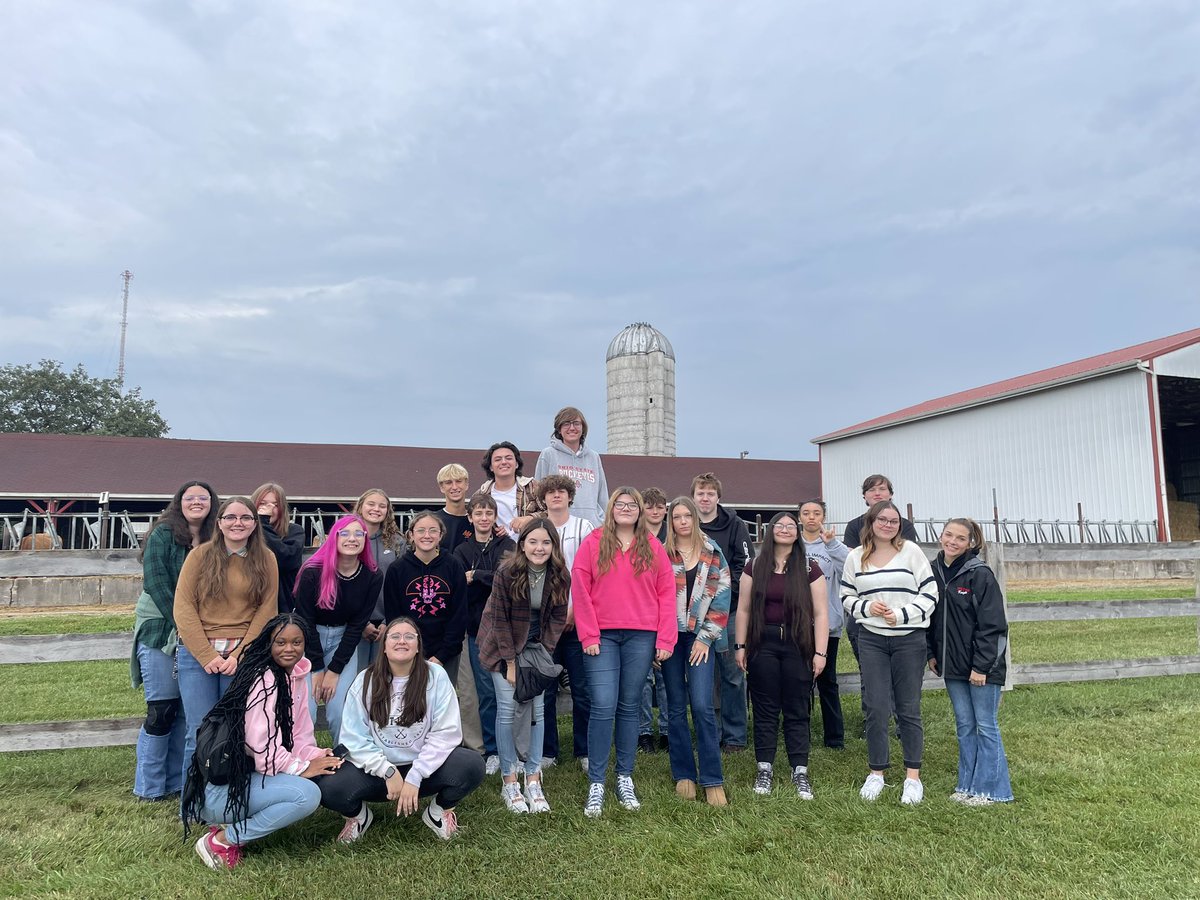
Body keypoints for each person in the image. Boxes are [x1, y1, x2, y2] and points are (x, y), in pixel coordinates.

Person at [182, 614, 342, 869]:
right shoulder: (263, 680)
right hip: (224, 789)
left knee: (313, 778)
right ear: (268, 643)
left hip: (250, 777)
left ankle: (233, 825)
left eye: (296, 642)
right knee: (307, 795)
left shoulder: (297, 676)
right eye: (280, 642)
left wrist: (314, 755)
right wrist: (301, 768)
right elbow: (261, 749)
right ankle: (222, 840)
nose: (289, 649)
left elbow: (299, 735)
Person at [318, 617, 486, 842]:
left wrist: (416, 776)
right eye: (395, 636)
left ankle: (437, 813)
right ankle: (358, 817)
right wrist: (386, 770)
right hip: (378, 773)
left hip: (424, 769)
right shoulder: (365, 680)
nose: (402, 641)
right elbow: (354, 737)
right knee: (328, 786)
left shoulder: (436, 677)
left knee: (472, 765)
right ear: (384, 647)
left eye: (409, 637)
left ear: (418, 647)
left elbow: (445, 734)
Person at [572, 488, 676, 817]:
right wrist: (587, 633)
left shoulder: (652, 545)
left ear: (641, 511)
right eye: (621, 504)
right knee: (603, 704)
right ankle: (597, 781)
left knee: (629, 705)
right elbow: (580, 586)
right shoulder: (594, 541)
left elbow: (666, 592)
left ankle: (625, 776)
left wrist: (666, 639)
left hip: (641, 635)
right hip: (601, 635)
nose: (626, 509)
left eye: (633, 505)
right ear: (611, 508)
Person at [174, 496, 279, 790]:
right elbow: (183, 607)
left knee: (236, 728)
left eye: (245, 517)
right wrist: (207, 655)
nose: (238, 523)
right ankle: (192, 798)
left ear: (254, 524)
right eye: (230, 517)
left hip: (242, 654)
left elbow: (267, 611)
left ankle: (230, 796)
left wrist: (239, 654)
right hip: (199, 654)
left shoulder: (265, 559)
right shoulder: (200, 556)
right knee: (199, 728)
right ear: (219, 523)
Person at [841, 500, 938, 805]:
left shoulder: (911, 552)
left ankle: (912, 777)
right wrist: (868, 608)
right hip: (872, 639)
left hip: (909, 640)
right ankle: (877, 772)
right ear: (870, 523)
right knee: (876, 706)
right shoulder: (856, 557)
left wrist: (904, 614)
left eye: (894, 520)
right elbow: (846, 595)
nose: (888, 524)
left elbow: (930, 593)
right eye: (882, 519)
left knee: (908, 708)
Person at [131, 480, 218, 802]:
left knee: (185, 710)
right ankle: (149, 785)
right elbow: (157, 583)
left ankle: (177, 781)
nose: (197, 502)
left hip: (200, 630)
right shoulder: (163, 534)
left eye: (203, 498)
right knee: (162, 708)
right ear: (179, 502)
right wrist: (185, 625)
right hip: (162, 628)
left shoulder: (214, 538)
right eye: (190, 497)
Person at [477, 518, 570, 813]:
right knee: (507, 711)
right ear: (522, 544)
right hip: (501, 644)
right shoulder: (507, 572)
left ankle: (533, 777)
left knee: (538, 712)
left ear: (553, 546)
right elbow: (499, 620)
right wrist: (510, 663)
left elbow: (557, 618)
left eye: (545, 542)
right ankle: (510, 780)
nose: (539, 548)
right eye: (533, 541)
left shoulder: (560, 575)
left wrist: (543, 653)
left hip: (536, 646)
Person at [735, 511, 829, 799]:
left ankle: (799, 770)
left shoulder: (809, 567)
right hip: (763, 644)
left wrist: (820, 652)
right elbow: (743, 609)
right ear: (770, 530)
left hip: (798, 645)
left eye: (791, 525)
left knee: (797, 709)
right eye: (780, 525)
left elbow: (821, 612)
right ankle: (765, 768)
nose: (785, 529)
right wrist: (740, 646)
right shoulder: (754, 566)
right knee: (765, 709)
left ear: (797, 532)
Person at [928, 518, 1013, 806]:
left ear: (971, 543)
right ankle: (967, 785)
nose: (952, 541)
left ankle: (992, 790)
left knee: (985, 725)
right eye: (948, 534)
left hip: (982, 668)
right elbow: (930, 618)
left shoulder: (979, 575)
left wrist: (981, 667)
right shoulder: (933, 571)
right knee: (964, 725)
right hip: (951, 665)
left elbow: (993, 626)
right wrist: (931, 653)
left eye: (960, 538)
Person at [662, 497, 731, 805]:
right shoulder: (661, 554)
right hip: (670, 638)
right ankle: (684, 774)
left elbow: (722, 595)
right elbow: (652, 598)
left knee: (702, 705)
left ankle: (712, 778)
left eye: (687, 515)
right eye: (677, 516)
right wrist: (659, 639)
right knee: (675, 707)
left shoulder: (712, 552)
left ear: (695, 517)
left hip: (700, 638)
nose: (683, 521)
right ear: (671, 521)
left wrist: (706, 638)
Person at [292, 514, 382, 745]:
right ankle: (302, 760)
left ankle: (342, 761)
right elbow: (305, 621)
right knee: (306, 710)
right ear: (334, 537)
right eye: (345, 533)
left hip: (344, 641)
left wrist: (334, 670)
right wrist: (318, 668)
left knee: (340, 709)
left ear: (365, 539)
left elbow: (357, 625)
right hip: (308, 640)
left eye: (358, 534)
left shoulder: (372, 576)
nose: (352, 539)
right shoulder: (313, 571)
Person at [453, 492, 515, 776]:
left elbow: (510, 580)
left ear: (495, 517)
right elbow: (457, 583)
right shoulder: (461, 550)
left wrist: (477, 576)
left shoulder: (507, 545)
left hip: (506, 628)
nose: (484, 518)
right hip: (475, 630)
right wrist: (485, 577)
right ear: (471, 518)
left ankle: (512, 746)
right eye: (478, 513)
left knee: (510, 690)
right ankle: (492, 750)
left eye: (489, 513)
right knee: (486, 692)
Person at [692, 473, 754, 752]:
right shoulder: (686, 525)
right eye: (700, 494)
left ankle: (735, 736)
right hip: (695, 615)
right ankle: (711, 733)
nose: (705, 499)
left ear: (718, 497)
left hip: (727, 611)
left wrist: (722, 591)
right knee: (705, 677)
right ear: (693, 497)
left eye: (710, 494)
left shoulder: (734, 524)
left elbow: (746, 563)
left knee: (732, 675)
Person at [537, 475, 595, 770]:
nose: (556, 496)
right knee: (545, 690)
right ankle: (548, 752)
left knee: (582, 689)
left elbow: (587, 574)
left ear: (570, 497)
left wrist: (575, 611)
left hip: (577, 621)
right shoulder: (537, 529)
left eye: (561, 491)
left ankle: (584, 750)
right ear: (543, 498)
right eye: (550, 492)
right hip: (545, 626)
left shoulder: (584, 527)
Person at [383, 511, 468, 684]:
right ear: (411, 535)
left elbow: (459, 615)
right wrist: (408, 648)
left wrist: (442, 655)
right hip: (407, 650)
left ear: (441, 535)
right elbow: (394, 617)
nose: (427, 535)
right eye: (421, 530)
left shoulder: (453, 566)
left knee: (441, 704)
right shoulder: (397, 569)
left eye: (432, 530)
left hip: (446, 652)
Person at [798, 499, 848, 750]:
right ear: (799, 517)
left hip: (828, 625)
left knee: (828, 681)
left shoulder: (832, 545)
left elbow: (850, 568)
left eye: (816, 513)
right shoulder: (792, 545)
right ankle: (801, 734)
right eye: (806, 513)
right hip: (798, 625)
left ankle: (835, 738)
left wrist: (833, 545)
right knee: (801, 681)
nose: (811, 518)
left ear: (824, 517)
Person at [353, 488, 406, 670]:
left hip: (386, 623)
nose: (376, 509)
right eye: (371, 504)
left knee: (382, 679)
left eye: (382, 506)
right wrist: (361, 623)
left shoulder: (397, 542)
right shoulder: (349, 538)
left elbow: (401, 585)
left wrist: (388, 622)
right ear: (360, 507)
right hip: (355, 624)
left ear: (388, 511)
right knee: (355, 681)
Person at [533, 406, 609, 527]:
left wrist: (605, 522)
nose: (572, 428)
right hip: (558, 525)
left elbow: (603, 495)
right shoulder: (548, 454)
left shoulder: (593, 457)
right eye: (566, 424)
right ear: (559, 429)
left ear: (583, 428)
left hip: (593, 526)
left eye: (576, 423)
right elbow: (538, 493)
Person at [637, 486, 670, 753]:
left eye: (659, 507)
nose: (655, 511)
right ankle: (644, 731)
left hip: (669, 611)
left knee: (667, 679)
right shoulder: (635, 537)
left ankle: (668, 730)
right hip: (642, 612)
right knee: (644, 679)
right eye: (649, 507)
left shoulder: (674, 535)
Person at [250, 483, 306, 614]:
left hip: (281, 607)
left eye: (275, 505)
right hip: (250, 606)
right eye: (263, 503)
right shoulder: (243, 533)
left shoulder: (294, 531)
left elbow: (284, 560)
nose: (269, 508)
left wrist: (262, 523)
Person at [478, 441, 544, 537]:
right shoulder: (482, 494)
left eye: (508, 458)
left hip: (529, 547)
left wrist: (530, 518)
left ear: (517, 464)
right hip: (498, 549)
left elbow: (551, 513)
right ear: (491, 467)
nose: (504, 462)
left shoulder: (532, 487)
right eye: (498, 459)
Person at [842, 475, 919, 549]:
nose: (877, 493)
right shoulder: (854, 526)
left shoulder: (905, 525)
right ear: (864, 496)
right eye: (871, 490)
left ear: (891, 494)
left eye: (882, 489)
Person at [434, 463, 475, 552]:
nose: (455, 487)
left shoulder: (477, 520)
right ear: (441, 487)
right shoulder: (433, 521)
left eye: (459, 481)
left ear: (467, 484)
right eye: (449, 482)